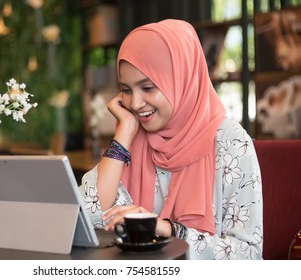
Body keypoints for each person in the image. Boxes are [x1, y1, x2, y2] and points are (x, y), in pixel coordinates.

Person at [79, 19, 263, 260]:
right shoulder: (132, 137)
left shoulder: (230, 142)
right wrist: (124, 133)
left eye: (148, 87)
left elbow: (249, 255)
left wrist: (169, 230)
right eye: (126, 89)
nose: (135, 103)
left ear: (181, 79)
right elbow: (87, 216)